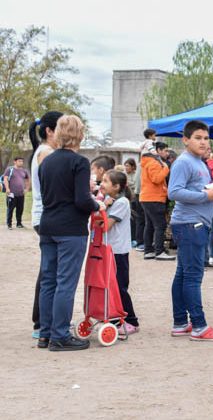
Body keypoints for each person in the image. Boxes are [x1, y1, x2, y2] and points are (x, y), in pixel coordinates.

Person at [38, 115, 106, 351]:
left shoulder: (46, 161)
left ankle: (45, 333)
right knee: (65, 282)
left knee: (48, 281)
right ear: (80, 134)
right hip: (70, 228)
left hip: (48, 224)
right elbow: (81, 200)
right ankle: (60, 335)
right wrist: (97, 205)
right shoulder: (79, 162)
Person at [167, 120, 213, 342]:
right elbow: (174, 192)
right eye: (198, 138)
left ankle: (180, 323)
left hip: (194, 223)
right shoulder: (184, 162)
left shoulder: (199, 162)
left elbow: (192, 189)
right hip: (190, 224)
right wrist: (207, 196)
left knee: (183, 274)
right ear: (186, 140)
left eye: (205, 138)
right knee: (193, 276)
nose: (203, 142)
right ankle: (199, 327)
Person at [28, 111, 62, 339]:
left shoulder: (44, 151)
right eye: (61, 127)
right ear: (50, 131)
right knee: (51, 273)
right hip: (47, 216)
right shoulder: (47, 153)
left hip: (44, 216)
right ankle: (42, 321)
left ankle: (41, 320)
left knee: (48, 271)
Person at [99, 169, 139, 335]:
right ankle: (115, 318)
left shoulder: (122, 202)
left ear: (116, 187)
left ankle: (131, 321)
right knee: (109, 286)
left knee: (120, 287)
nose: (102, 184)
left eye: (106, 181)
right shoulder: (111, 200)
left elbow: (105, 226)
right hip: (108, 249)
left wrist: (103, 208)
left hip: (118, 252)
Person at [140, 133, 174, 260]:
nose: (166, 153)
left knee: (149, 225)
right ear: (156, 151)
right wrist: (165, 168)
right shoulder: (154, 163)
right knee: (160, 225)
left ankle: (149, 250)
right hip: (154, 198)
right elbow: (156, 178)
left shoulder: (146, 162)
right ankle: (159, 251)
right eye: (164, 151)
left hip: (147, 198)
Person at [4, 157, 30, 229]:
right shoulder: (10, 169)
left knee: (20, 209)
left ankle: (19, 223)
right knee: (10, 209)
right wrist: (7, 188)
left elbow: (28, 180)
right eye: (19, 161)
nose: (21, 162)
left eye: (22, 161)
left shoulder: (24, 171)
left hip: (21, 194)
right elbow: (5, 179)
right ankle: (9, 224)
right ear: (14, 162)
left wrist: (27, 189)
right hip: (11, 194)